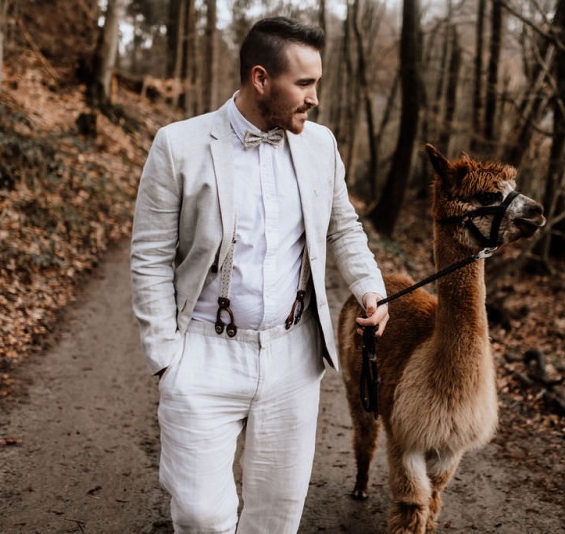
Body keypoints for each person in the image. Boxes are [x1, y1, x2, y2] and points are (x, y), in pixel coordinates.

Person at [130, 16, 389, 534]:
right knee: (201, 515)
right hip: (202, 354)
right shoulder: (178, 145)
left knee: (276, 517)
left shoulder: (321, 146)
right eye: (305, 83)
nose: (315, 98)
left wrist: (369, 288)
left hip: (293, 358)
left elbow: (343, 228)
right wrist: (166, 359)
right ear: (261, 79)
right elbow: (150, 256)